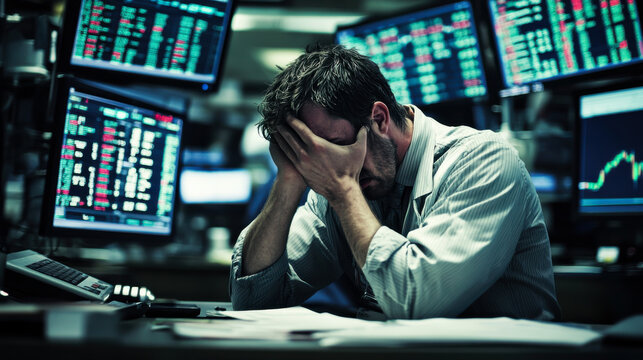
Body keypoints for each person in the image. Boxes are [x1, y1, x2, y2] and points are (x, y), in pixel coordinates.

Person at [229, 44, 561, 320]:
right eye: (311, 155)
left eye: (333, 147)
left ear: (379, 119)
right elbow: (254, 300)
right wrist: (290, 179)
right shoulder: (336, 179)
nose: (325, 164)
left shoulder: (483, 161)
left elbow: (415, 303)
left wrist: (344, 190)